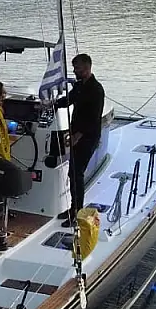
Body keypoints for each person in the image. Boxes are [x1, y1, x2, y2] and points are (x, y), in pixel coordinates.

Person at [52, 53, 105, 227]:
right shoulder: (79, 85)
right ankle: (73, 208)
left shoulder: (96, 90)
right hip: (76, 135)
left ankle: (77, 212)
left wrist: (78, 135)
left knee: (77, 174)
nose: (75, 71)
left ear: (87, 68)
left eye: (78, 68)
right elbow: (70, 100)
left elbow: (93, 118)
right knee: (72, 173)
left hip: (88, 137)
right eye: (74, 68)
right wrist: (53, 104)